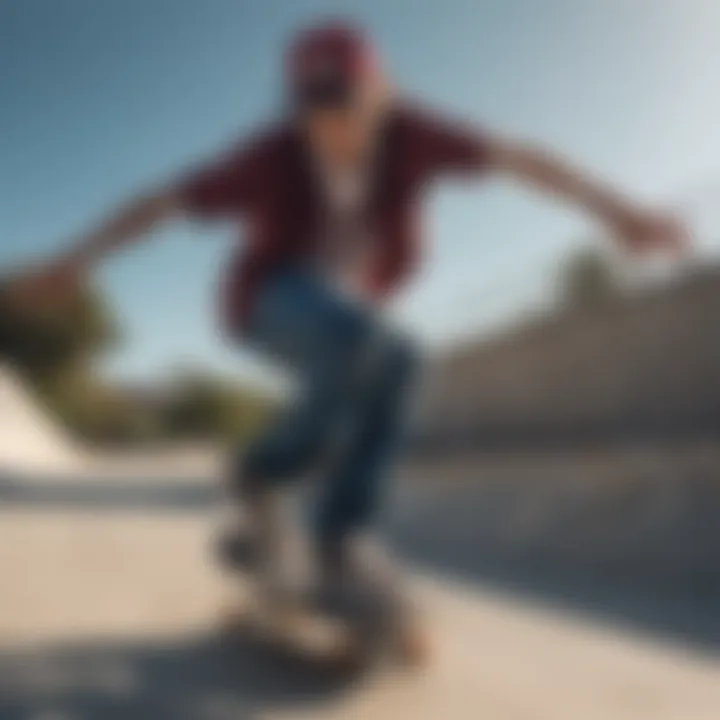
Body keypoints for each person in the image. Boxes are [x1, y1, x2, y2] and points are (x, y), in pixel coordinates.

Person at [9, 21, 685, 604]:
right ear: (297, 109)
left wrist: (619, 213)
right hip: (267, 300)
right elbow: (161, 202)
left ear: (381, 94)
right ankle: (263, 474)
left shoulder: (416, 134)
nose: (334, 130)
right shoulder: (270, 156)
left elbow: (522, 159)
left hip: (347, 314)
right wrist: (78, 258)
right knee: (357, 339)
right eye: (316, 114)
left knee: (401, 359)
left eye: (350, 109)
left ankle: (336, 536)